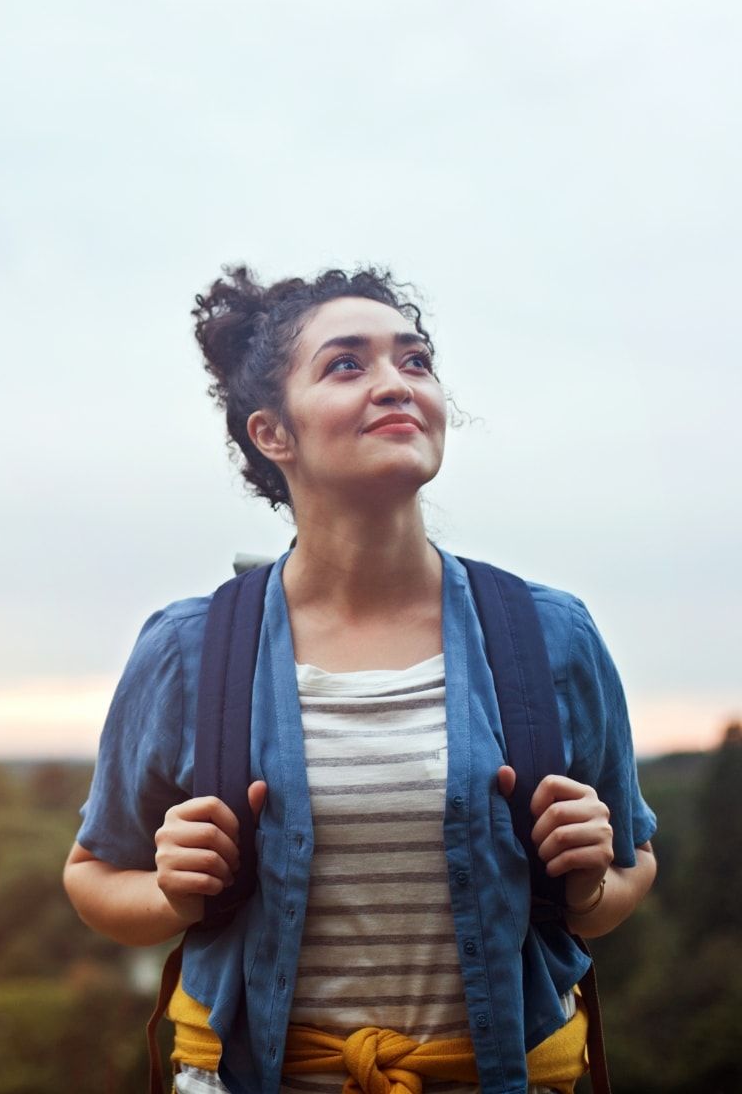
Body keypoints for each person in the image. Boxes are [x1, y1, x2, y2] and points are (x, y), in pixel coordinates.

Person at [63, 266, 657, 1094]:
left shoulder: (553, 635)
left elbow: (633, 868)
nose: (396, 384)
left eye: (414, 361)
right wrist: (170, 895)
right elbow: (92, 875)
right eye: (348, 365)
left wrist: (594, 879)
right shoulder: (188, 649)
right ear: (272, 433)